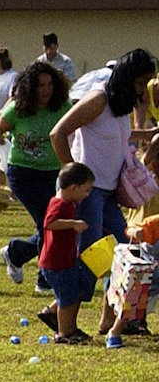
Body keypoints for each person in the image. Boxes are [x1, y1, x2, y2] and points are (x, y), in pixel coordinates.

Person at [48, 48, 159, 329]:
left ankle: (107, 321)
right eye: (139, 82)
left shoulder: (120, 104)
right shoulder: (99, 99)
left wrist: (146, 134)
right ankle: (66, 325)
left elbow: (117, 133)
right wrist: (71, 176)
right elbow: (58, 133)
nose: (141, 90)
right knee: (93, 258)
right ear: (125, 77)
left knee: (123, 254)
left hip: (110, 192)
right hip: (90, 192)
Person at [0, 61, 74, 286]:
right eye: (40, 85)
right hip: (23, 173)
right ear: (29, 88)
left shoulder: (62, 106)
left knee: (55, 222)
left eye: (49, 84)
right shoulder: (17, 109)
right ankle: (45, 278)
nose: (46, 90)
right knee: (46, 222)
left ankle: (17, 252)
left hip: (53, 172)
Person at [39, 162, 97, 344]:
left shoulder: (67, 202)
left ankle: (63, 322)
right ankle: (63, 332)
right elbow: (49, 223)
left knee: (73, 291)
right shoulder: (60, 204)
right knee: (67, 297)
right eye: (86, 190)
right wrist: (73, 223)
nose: (87, 195)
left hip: (66, 260)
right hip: (56, 264)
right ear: (74, 187)